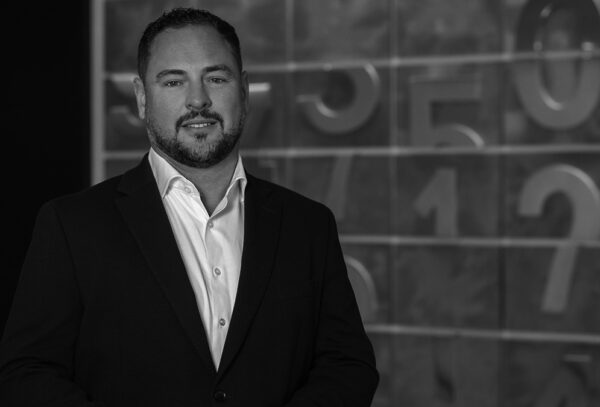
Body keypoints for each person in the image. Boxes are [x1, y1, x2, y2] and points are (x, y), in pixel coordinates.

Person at [0, 7, 378, 407]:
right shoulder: (73, 225)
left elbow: (348, 365)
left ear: (244, 92)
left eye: (215, 78)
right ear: (142, 98)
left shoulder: (308, 225)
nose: (198, 100)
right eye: (173, 81)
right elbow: (26, 373)